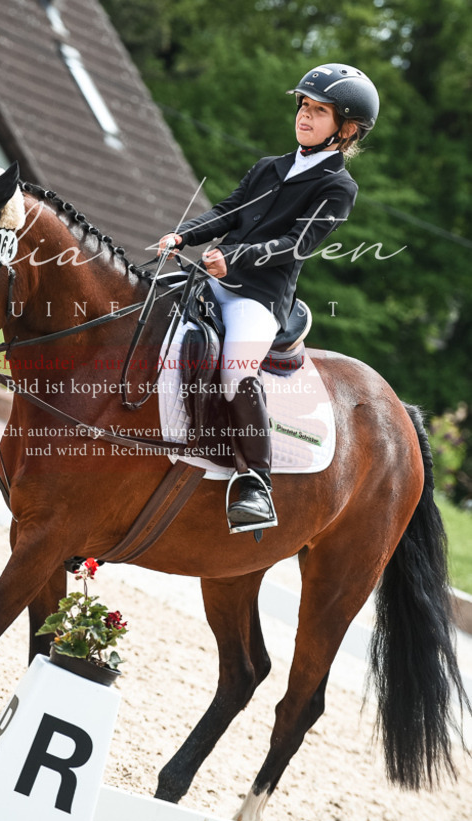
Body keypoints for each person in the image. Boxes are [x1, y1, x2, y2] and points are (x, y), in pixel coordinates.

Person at [158, 63, 379, 527]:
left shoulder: (338, 187)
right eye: (303, 106)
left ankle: (256, 482)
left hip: (258, 299)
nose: (305, 116)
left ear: (347, 129)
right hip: (214, 278)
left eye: (319, 111)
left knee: (236, 369)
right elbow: (226, 212)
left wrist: (233, 258)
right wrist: (184, 236)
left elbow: (296, 246)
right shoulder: (269, 168)